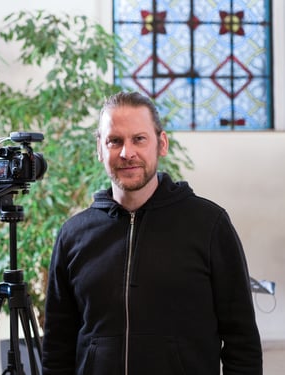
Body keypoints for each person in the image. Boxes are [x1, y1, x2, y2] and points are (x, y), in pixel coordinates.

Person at [42, 91, 262, 374]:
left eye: (139, 139)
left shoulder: (209, 224)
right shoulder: (73, 235)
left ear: (162, 143)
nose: (127, 152)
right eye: (114, 141)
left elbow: (241, 341)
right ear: (99, 148)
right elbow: (57, 345)